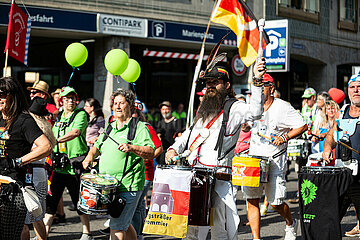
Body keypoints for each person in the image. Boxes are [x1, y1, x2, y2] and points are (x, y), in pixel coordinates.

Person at [165, 58, 266, 240]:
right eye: (208, 82)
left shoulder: (234, 107)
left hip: (219, 181)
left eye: (215, 82)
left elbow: (255, 112)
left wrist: (257, 81)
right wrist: (172, 149)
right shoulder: (203, 109)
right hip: (195, 179)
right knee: (192, 230)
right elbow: (188, 136)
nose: (210, 86)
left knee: (221, 231)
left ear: (226, 85)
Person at [82, 89, 155, 240]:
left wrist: (132, 147)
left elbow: (150, 151)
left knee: (116, 226)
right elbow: (96, 146)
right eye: (115, 103)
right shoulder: (110, 126)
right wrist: (89, 156)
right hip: (109, 186)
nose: (117, 106)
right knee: (124, 224)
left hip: (128, 185)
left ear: (130, 105)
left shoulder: (139, 127)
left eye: (121, 103)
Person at [242, 73, 307, 240]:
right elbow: (247, 126)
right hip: (254, 161)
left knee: (276, 203)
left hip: (275, 162)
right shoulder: (253, 106)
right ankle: (256, 238)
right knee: (252, 200)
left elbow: (302, 125)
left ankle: (290, 224)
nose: (257, 91)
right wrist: (245, 127)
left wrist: (284, 137)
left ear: (271, 88)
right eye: (256, 87)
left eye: (261, 86)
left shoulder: (283, 107)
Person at [0, 76, 52, 239]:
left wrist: (17, 162)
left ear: (12, 96)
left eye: (2, 94)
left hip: (13, 189)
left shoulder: (24, 120)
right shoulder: (0, 118)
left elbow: (46, 146)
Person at [43, 86, 92, 240]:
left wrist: (55, 140)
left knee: (79, 202)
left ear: (76, 100)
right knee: (51, 203)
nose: (70, 101)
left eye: (72, 98)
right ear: (61, 101)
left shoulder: (81, 114)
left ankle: (87, 233)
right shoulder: (59, 117)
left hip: (75, 165)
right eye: (66, 98)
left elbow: (76, 132)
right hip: (59, 166)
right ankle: (42, 235)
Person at [323, 73, 360, 237]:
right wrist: (327, 148)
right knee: (331, 217)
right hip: (342, 176)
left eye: (359, 87)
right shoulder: (342, 111)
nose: (356, 90)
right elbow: (331, 135)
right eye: (352, 87)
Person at [21, 97, 57, 240]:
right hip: (41, 172)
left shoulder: (32, 127)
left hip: (30, 172)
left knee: (23, 219)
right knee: (37, 216)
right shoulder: (46, 126)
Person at [131, 105, 163, 240]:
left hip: (145, 173)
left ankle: (138, 235)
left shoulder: (146, 127)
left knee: (136, 205)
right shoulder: (124, 127)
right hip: (130, 173)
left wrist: (148, 157)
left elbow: (159, 148)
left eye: (133, 113)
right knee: (137, 205)